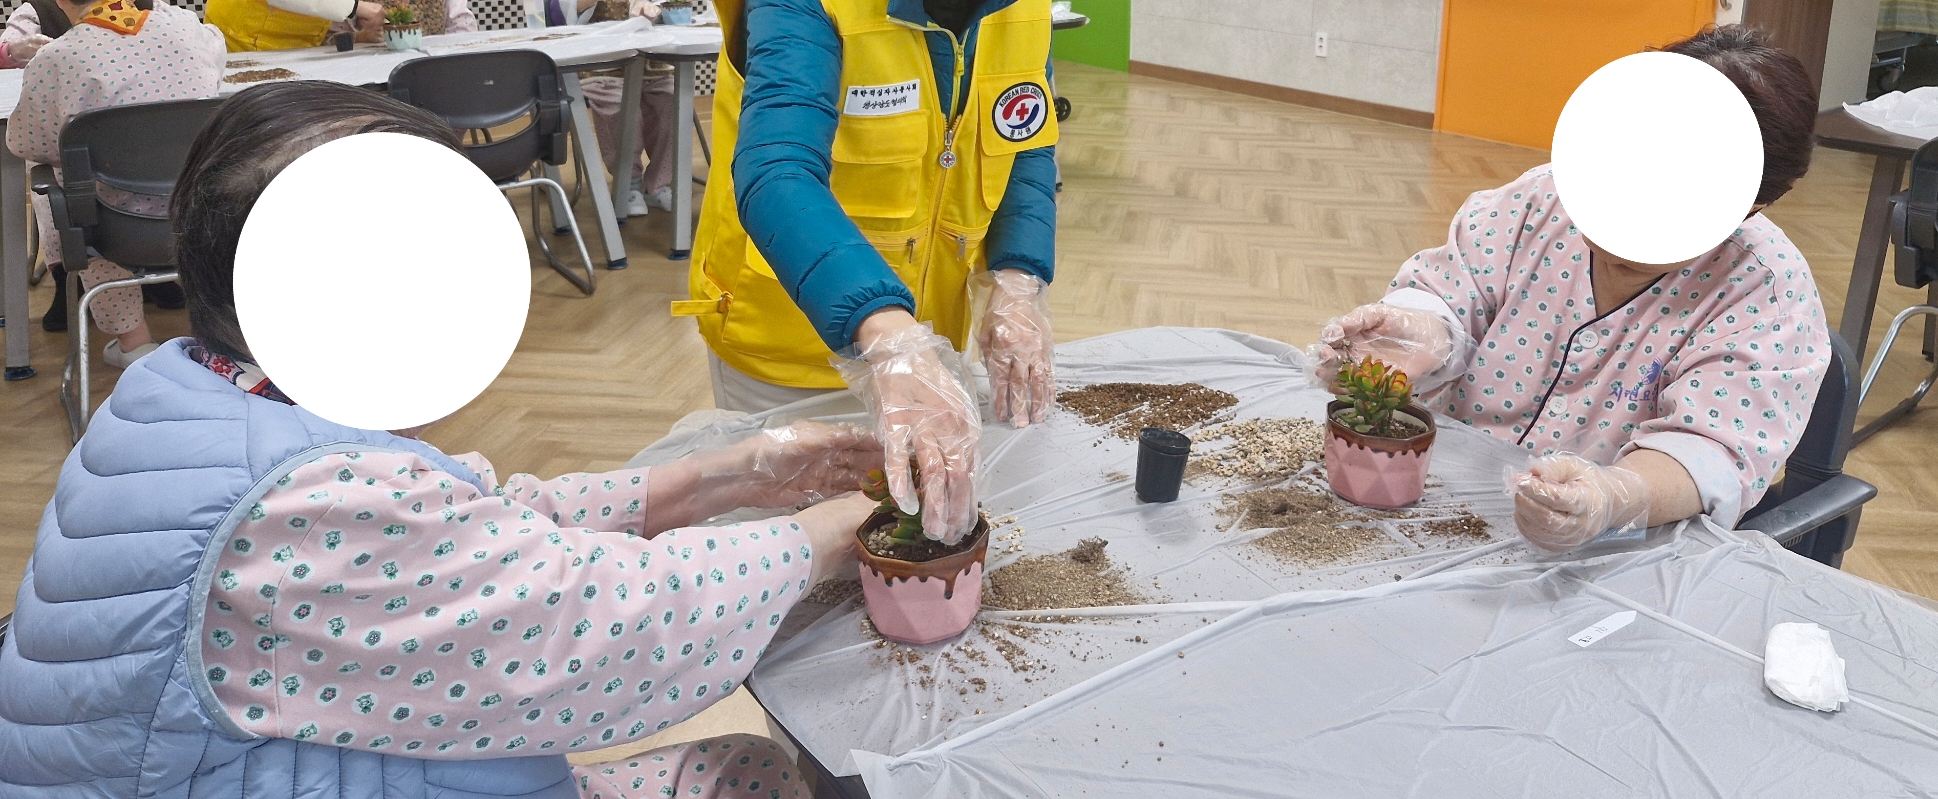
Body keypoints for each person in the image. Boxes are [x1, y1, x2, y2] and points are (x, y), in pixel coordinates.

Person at [0, 81, 879, 799]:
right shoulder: (309, 498)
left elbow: (469, 534)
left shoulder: (191, 389)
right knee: (750, 776)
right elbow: (590, 631)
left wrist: (722, 477)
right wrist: (833, 534)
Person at [1311, 25, 1830, 554]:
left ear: (1754, 206)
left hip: (1611, 552)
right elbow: (1451, 287)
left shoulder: (1768, 295)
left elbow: (1710, 451)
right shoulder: (1538, 200)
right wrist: (1422, 329)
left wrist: (1612, 496)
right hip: (1446, 499)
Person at [681, 0, 1060, 544]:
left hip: (925, 347)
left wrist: (1018, 275)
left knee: (912, 540)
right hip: (790, 353)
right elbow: (777, 170)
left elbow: (1024, 134)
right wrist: (885, 331)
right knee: (794, 552)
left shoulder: (1026, 10)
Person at [8, 0, 224, 366]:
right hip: (200, 216)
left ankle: (134, 343)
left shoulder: (55, 59)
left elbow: (25, 144)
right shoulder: (190, 28)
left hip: (116, 231)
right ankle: (223, 336)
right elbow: (213, 78)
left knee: (83, 205)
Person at [583, 0, 676, 217]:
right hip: (604, 65)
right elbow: (561, 12)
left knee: (671, 101)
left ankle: (659, 184)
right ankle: (628, 184)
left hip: (653, 63)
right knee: (621, 108)